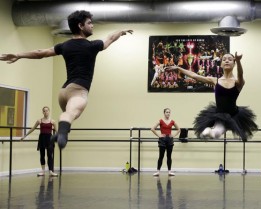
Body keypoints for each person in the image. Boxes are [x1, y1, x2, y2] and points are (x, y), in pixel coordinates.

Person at [0, 10, 133, 150]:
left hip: (63, 92)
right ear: (81, 26)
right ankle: (62, 134)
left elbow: (41, 53)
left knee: (69, 115)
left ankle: (63, 131)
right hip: (78, 91)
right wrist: (121, 31)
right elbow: (110, 38)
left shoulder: (64, 46)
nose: (92, 25)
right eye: (89, 23)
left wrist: (18, 54)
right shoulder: (92, 46)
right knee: (70, 113)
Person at [167, 52, 258, 141]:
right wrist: (179, 68)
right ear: (221, 64)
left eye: (230, 59)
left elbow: (240, 75)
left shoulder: (238, 82)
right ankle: (210, 132)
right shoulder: (215, 80)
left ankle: (211, 132)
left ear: (234, 64)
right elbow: (194, 75)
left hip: (234, 114)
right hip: (220, 113)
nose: (227, 61)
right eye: (224, 59)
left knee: (222, 132)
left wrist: (238, 61)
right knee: (215, 132)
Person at [21, 106, 58, 177]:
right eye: (44, 111)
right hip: (42, 139)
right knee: (42, 155)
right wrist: (25, 136)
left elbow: (57, 131)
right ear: (42, 112)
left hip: (50, 139)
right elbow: (33, 129)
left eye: (47, 110)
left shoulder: (52, 121)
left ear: (49, 111)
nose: (45, 112)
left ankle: (51, 171)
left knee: (50, 155)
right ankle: (43, 171)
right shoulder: (39, 121)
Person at [151, 108, 180, 176]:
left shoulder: (172, 121)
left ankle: (169, 171)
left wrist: (173, 135)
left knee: (169, 156)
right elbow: (152, 129)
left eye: (169, 112)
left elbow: (179, 129)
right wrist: (159, 135)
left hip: (169, 140)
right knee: (161, 156)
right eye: (167, 112)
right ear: (164, 113)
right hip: (162, 140)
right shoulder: (161, 121)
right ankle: (158, 171)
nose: (168, 113)